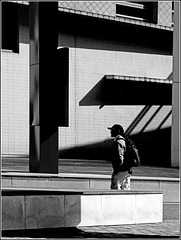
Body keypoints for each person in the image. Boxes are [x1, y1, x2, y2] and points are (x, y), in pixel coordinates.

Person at [107, 124, 132, 190]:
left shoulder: (119, 141)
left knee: (116, 188)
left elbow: (120, 155)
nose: (110, 132)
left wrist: (118, 168)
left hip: (120, 170)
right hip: (125, 170)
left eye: (112, 130)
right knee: (125, 189)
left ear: (117, 131)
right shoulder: (124, 140)